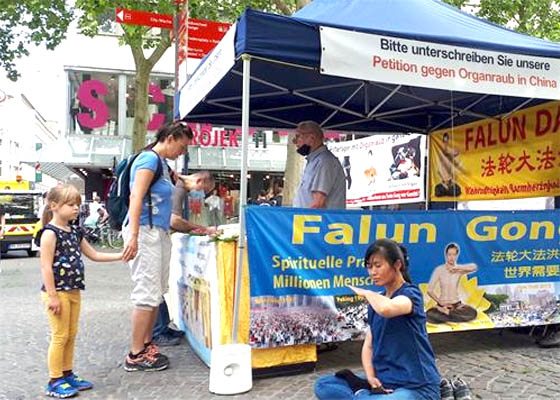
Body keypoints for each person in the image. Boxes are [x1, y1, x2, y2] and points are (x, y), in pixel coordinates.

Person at [314, 238, 440, 400]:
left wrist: (367, 293)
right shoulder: (377, 301)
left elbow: (388, 309)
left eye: (378, 266)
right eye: (369, 266)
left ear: (397, 265)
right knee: (323, 385)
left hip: (416, 386)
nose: (372, 272)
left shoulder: (411, 294)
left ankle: (361, 393)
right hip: (384, 381)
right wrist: (371, 377)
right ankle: (364, 391)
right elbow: (368, 347)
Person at [37, 184, 123, 398]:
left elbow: (94, 254)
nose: (76, 208)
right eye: (71, 204)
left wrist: (121, 255)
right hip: (57, 292)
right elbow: (45, 267)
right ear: (54, 206)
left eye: (77, 204)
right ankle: (54, 379)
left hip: (74, 290)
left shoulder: (75, 231)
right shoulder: (49, 233)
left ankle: (67, 373)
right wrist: (53, 296)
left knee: (71, 335)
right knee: (60, 335)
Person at [121, 120, 193, 372]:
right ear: (171, 138)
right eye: (182, 147)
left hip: (158, 232)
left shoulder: (162, 164)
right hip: (144, 232)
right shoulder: (148, 160)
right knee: (146, 293)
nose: (181, 153)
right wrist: (133, 235)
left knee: (156, 292)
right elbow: (136, 196)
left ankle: (147, 343)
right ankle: (135, 353)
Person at [151, 171, 217, 346]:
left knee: (158, 287)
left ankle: (162, 326)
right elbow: (175, 221)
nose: (202, 195)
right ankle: (157, 331)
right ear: (199, 181)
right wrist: (202, 229)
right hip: (153, 236)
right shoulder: (178, 189)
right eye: (204, 190)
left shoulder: (176, 185)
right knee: (153, 288)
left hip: (157, 235)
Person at [292, 121, 346, 209]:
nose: (294, 141)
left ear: (312, 138)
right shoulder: (316, 161)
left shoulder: (324, 162)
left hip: (316, 221)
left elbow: (318, 202)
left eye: (298, 136)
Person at [426, 243, 478, 324]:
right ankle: (451, 316)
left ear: (457, 255)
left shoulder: (459, 270)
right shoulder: (439, 269)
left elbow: (474, 267)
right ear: (446, 255)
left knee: (472, 313)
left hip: (457, 305)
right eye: (449, 254)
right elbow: (429, 290)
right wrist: (440, 302)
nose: (451, 257)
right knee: (429, 314)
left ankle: (448, 314)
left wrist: (457, 267)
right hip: (442, 305)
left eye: (454, 254)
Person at [434, 133, 464, 197]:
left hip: (449, 180)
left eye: (447, 140)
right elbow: (438, 172)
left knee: (457, 190)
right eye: (445, 141)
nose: (446, 143)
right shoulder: (441, 154)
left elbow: (457, 152)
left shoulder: (450, 153)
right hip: (444, 180)